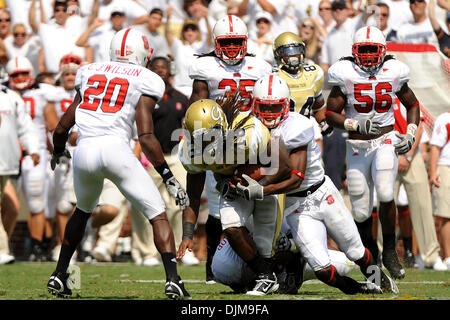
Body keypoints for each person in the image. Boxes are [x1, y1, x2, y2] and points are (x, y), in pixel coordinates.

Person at [46, 28, 191, 300]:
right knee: (158, 214)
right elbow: (146, 136)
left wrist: (57, 151)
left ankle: (59, 274)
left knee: (82, 211)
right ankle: (173, 280)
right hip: (115, 149)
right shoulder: (146, 78)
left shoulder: (89, 71)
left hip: (84, 151)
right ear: (142, 54)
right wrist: (167, 175)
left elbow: (64, 124)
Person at [251, 73, 398, 294]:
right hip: (296, 206)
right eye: (265, 107)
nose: (269, 114)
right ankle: (359, 289)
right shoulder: (251, 129)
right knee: (322, 270)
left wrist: (262, 190)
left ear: (286, 104)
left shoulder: (299, 124)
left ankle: (377, 276)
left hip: (321, 194)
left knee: (356, 251)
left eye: (275, 107)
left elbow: (296, 176)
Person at [325, 26, 421, 280]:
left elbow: (412, 104)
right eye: (363, 50)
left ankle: (390, 250)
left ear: (383, 51)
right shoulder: (345, 72)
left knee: (387, 192)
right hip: (357, 146)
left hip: (385, 140)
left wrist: (410, 132)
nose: (368, 55)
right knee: (360, 210)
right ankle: (371, 257)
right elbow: (330, 113)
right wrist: (354, 124)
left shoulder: (393, 71)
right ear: (354, 51)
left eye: (372, 49)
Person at [176, 96, 293, 296]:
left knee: (267, 242)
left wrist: (259, 185)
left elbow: (284, 167)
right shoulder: (190, 152)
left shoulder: (249, 133)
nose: (202, 143)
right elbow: (193, 195)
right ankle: (265, 275)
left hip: (264, 185)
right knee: (230, 227)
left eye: (207, 137)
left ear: (221, 127)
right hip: (233, 188)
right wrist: (187, 234)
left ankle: (293, 265)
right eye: (197, 138)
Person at [187, 14, 273, 284]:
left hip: (253, 139)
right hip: (220, 143)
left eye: (238, 42)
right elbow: (196, 107)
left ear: (246, 41)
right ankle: (213, 265)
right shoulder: (205, 67)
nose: (233, 47)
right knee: (216, 207)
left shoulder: (260, 66)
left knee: (258, 201)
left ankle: (265, 262)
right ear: (216, 43)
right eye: (228, 42)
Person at [133, 56, 199, 266]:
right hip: (151, 158)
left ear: (170, 70)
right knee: (147, 204)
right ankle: (148, 253)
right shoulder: (145, 96)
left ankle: (183, 249)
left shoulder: (181, 96)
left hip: (176, 157)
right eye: (156, 68)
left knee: (182, 202)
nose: (160, 71)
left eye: (164, 68)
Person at [5, 56, 59, 261]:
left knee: (36, 200)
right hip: (8, 153)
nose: (19, 78)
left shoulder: (43, 93)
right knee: (6, 202)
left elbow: (53, 124)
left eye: (23, 74)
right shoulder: (4, 94)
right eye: (15, 74)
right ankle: (5, 246)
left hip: (35, 153)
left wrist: (57, 149)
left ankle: (36, 247)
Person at [0, 68, 39, 265]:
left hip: (7, 163)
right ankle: (2, 249)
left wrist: (34, 149)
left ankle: (2, 247)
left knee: (13, 208)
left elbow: (25, 126)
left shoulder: (11, 97)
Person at [272, 32, 330, 135]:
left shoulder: (314, 73)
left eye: (296, 51)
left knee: (314, 147)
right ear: (278, 54)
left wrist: (323, 122)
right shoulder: (272, 76)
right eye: (288, 52)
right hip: (279, 132)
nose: (293, 56)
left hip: (305, 131)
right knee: (275, 151)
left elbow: (318, 107)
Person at [164, 12, 213, 99]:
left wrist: (206, 18)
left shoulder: (202, 47)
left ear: (198, 32)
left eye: (193, 29)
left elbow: (210, 35)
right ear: (183, 32)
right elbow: (167, 34)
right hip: (178, 89)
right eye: (186, 29)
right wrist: (167, 17)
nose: (190, 31)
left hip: (196, 91)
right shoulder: (178, 46)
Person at [429, 112, 450, 270]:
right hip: (445, 168)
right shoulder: (444, 119)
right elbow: (435, 147)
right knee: (446, 214)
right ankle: (448, 257)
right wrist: (433, 172)